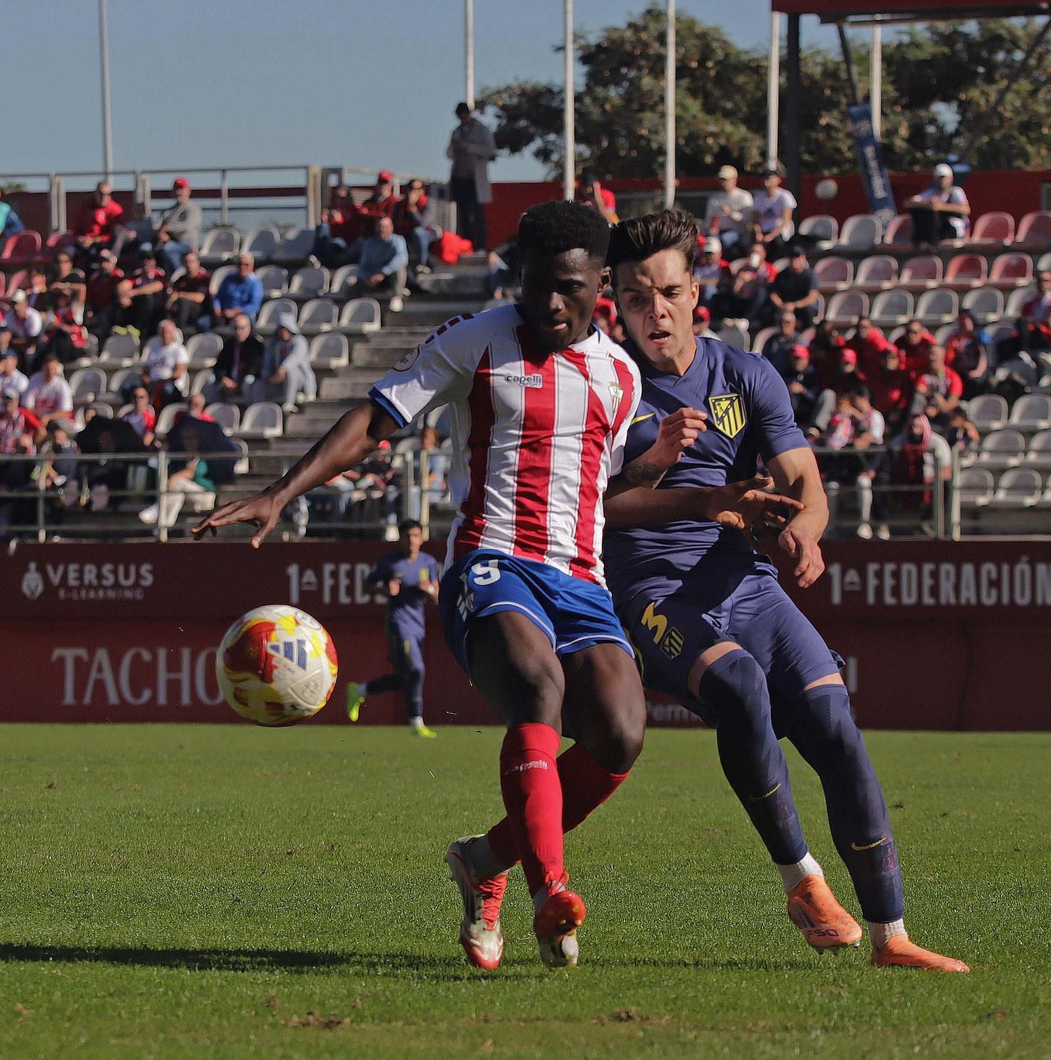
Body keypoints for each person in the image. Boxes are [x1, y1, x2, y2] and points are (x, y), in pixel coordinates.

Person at [196, 201, 720, 971]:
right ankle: (550, 892)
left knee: (620, 731)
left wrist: (662, 466)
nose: (549, 303)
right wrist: (282, 490)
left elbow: (600, 488)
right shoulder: (475, 341)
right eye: (537, 285)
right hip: (492, 563)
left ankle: (484, 861)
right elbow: (377, 420)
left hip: (581, 577)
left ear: (599, 285)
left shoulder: (620, 375)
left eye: (568, 288)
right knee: (537, 688)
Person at [599, 208, 964, 969]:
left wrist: (807, 529)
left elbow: (807, 483)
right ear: (618, 304)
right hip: (653, 589)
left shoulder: (746, 374)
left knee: (835, 727)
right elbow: (597, 508)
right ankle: (802, 881)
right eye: (636, 298)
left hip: (748, 583)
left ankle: (893, 938)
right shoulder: (605, 384)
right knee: (736, 683)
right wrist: (701, 496)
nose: (654, 311)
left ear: (695, 291)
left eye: (667, 291)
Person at [344, 520, 442, 737]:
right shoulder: (389, 563)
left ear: (422, 538)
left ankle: (359, 690)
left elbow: (436, 596)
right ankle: (416, 722)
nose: (412, 540)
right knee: (417, 669)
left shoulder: (428, 562)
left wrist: (429, 591)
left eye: (416, 536)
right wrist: (385, 592)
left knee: (407, 677)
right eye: (407, 536)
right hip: (398, 622)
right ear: (400, 538)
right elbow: (367, 585)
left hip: (418, 624)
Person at [447, 102, 496, 250]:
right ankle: (466, 245)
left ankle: (480, 246)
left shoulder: (481, 130)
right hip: (459, 178)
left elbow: (491, 151)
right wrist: (456, 147)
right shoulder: (456, 132)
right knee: (463, 215)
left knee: (477, 215)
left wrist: (469, 147)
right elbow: (448, 154)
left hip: (476, 180)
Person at [350, 215, 409, 312]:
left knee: (400, 269)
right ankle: (352, 310)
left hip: (389, 277)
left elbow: (402, 259)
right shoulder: (368, 244)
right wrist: (367, 278)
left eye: (385, 227)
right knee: (350, 284)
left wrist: (383, 272)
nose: (382, 230)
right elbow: (363, 265)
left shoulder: (398, 241)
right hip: (373, 278)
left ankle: (397, 298)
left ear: (391, 228)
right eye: (380, 227)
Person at [261, 311, 316, 412]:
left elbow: (295, 358)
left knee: (291, 370)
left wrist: (282, 369)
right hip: (279, 381)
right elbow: (267, 362)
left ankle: (289, 404)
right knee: (256, 383)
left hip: (300, 379)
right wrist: (268, 377)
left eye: (286, 329)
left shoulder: (300, 341)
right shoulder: (274, 344)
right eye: (281, 329)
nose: (283, 332)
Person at [905, 164, 970, 245]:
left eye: (944, 178)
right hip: (937, 233)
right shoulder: (931, 193)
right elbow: (908, 203)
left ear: (951, 179)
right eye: (939, 178)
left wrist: (941, 207)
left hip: (955, 231)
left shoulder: (956, 192)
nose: (942, 180)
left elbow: (966, 209)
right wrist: (927, 204)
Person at [155, 177, 202, 274]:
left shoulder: (193, 209)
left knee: (168, 248)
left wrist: (167, 228)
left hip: (186, 243)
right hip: (167, 242)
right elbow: (157, 226)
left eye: (182, 189)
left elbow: (188, 226)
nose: (179, 192)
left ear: (188, 191)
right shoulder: (167, 211)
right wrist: (161, 233)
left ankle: (180, 276)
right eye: (176, 189)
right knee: (146, 248)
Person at [703, 165, 753, 254]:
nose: (723, 183)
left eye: (726, 180)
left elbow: (748, 219)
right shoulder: (714, 198)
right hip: (718, 233)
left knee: (725, 240)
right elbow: (709, 220)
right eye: (721, 180)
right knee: (708, 245)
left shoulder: (744, 196)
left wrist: (731, 213)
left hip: (738, 232)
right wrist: (709, 229)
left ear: (734, 180)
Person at [769, 249, 822, 330]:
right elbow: (774, 294)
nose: (794, 260)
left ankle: (809, 336)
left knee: (808, 312)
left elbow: (812, 297)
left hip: (801, 307)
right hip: (784, 306)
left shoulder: (810, 275)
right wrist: (780, 305)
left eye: (797, 257)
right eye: (792, 257)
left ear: (803, 258)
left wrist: (795, 305)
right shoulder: (782, 275)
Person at [751, 168, 797, 254]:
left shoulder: (785, 196)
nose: (766, 183)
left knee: (777, 244)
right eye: (764, 179)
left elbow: (786, 221)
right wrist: (758, 234)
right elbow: (755, 220)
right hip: (763, 231)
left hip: (779, 232)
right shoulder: (759, 198)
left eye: (769, 179)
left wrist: (771, 236)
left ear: (777, 180)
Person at [212, 253, 263, 325]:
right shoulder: (229, 279)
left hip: (243, 314)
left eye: (246, 265)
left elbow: (255, 305)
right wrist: (217, 309)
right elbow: (219, 297)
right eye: (240, 264)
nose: (242, 267)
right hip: (224, 313)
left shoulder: (255, 283)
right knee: (203, 323)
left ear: (251, 267)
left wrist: (235, 312)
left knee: (240, 323)